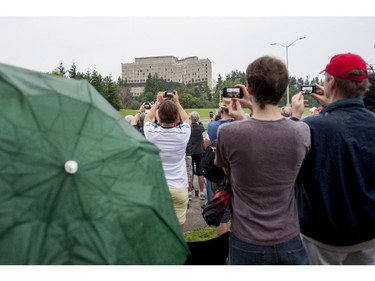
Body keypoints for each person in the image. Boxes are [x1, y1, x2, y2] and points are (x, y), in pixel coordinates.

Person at [215, 55, 311, 265]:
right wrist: (249, 112)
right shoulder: (301, 131)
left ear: (248, 88)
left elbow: (229, 173)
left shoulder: (228, 133)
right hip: (289, 238)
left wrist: (246, 114)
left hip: (246, 239)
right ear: (284, 87)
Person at [292, 53, 375, 265]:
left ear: (331, 83)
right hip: (368, 233)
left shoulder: (312, 127)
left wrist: (294, 117)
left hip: (322, 236)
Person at [143, 91, 191, 231]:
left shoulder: (152, 133)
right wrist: (177, 102)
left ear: (160, 116)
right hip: (179, 187)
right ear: (176, 117)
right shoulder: (183, 133)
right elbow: (187, 119)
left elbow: (147, 119)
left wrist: (157, 103)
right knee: (178, 232)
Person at [188, 111, 206, 200]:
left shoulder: (188, 128)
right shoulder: (200, 128)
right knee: (200, 173)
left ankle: (189, 193)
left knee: (190, 173)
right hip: (199, 151)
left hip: (190, 151)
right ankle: (202, 192)